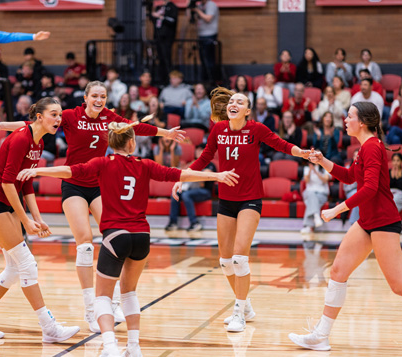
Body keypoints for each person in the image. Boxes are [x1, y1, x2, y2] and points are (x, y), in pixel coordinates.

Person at [16, 121, 239, 357]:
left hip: (116, 235)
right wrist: (218, 175)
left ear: (111, 143)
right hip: (142, 236)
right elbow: (182, 173)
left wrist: (38, 170)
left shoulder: (102, 163)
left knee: (102, 296)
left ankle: (111, 347)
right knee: (129, 293)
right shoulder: (145, 165)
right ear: (132, 142)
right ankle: (134, 347)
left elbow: (70, 171)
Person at [0, 80, 185, 333]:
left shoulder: (108, 117)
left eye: (103, 96)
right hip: (73, 184)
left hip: (98, 184)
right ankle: (91, 311)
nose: (99, 100)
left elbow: (135, 127)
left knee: (116, 235)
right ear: (85, 98)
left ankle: (115, 302)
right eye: (95, 96)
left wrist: (166, 133)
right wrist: (1, 126)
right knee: (86, 244)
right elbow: (32, 124)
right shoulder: (68, 116)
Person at [173, 88, 310, 332]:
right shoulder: (218, 129)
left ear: (247, 111)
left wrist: (302, 153)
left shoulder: (256, 129)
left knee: (239, 257)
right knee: (225, 262)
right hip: (226, 200)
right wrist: (183, 177)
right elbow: (204, 157)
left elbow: (281, 144)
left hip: (250, 199)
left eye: (240, 101)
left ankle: (238, 312)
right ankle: (245, 303)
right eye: (232, 101)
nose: (234, 103)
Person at [289, 102, 402, 351]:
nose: (345, 120)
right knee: (337, 272)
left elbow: (369, 189)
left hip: (383, 222)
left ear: (363, 122)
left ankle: (320, 334)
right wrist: (322, 160)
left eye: (349, 116)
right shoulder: (365, 147)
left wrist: (337, 209)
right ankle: (320, 336)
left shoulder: (372, 147)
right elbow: (349, 177)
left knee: (399, 286)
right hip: (367, 222)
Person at [0, 97, 80, 342]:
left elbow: (27, 181)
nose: (59, 119)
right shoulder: (22, 138)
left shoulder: (38, 142)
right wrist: (25, 220)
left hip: (7, 203)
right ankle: (49, 328)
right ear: (39, 117)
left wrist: (37, 218)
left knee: (13, 269)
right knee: (27, 264)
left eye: (61, 115)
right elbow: (7, 183)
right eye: (54, 114)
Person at [165, 144, 216, 232]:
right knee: (175, 194)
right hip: (191, 189)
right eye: (196, 150)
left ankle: (194, 223)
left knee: (186, 195)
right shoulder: (193, 164)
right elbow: (182, 173)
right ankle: (173, 223)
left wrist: (191, 171)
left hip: (205, 192)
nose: (197, 152)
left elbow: (202, 181)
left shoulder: (210, 165)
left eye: (200, 150)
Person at [189, 0, 219, 83]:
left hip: (209, 35)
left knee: (209, 60)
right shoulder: (199, 5)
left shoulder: (211, 4)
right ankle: (205, 80)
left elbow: (208, 18)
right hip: (201, 35)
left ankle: (211, 80)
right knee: (203, 60)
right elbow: (191, 20)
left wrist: (197, 10)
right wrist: (190, 7)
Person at [151, 0, 178, 83]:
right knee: (160, 59)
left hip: (167, 37)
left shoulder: (172, 7)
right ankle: (161, 79)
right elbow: (153, 19)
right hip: (158, 37)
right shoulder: (160, 7)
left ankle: (168, 79)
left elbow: (172, 21)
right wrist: (153, 14)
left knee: (166, 58)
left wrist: (160, 17)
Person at [300, 162, 331, 234]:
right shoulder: (307, 168)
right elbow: (306, 181)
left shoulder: (325, 167)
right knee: (311, 194)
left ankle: (308, 226)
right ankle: (316, 216)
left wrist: (316, 171)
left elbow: (325, 180)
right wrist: (311, 170)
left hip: (321, 193)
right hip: (309, 193)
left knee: (311, 202)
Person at [343, 148, 359, 226]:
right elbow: (345, 187)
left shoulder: (364, 167)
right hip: (350, 192)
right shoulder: (347, 168)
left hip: (360, 191)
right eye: (354, 156)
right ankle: (353, 223)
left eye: (358, 156)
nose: (356, 157)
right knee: (358, 196)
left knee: (360, 196)